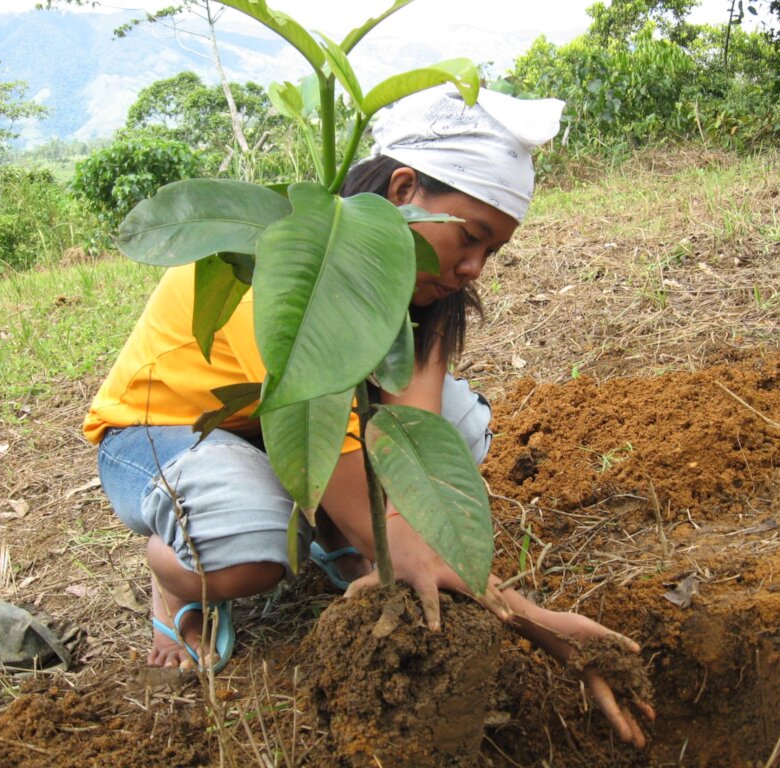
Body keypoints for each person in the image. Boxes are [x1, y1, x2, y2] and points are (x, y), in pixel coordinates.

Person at [84, 86, 655, 747]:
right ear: (404, 189)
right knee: (251, 554)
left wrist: (404, 541)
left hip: (284, 441)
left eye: (492, 252)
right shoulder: (285, 270)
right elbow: (336, 450)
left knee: (452, 426)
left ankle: (339, 545)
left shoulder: (429, 293)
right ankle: (172, 578)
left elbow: (414, 439)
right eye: (470, 237)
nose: (472, 269)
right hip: (167, 432)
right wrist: (540, 626)